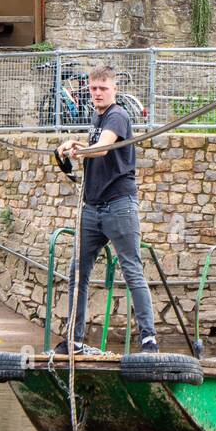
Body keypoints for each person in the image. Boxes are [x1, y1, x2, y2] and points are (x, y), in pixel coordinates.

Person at [56, 66, 157, 355]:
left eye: (103, 88)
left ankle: (148, 339)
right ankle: (74, 340)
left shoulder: (118, 115)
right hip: (92, 207)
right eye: (93, 89)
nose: (97, 93)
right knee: (78, 272)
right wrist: (72, 147)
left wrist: (80, 150)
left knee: (131, 269)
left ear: (113, 89)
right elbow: (93, 147)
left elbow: (101, 149)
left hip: (119, 206)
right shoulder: (96, 117)